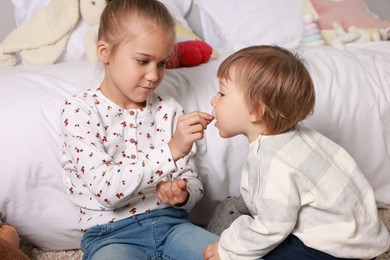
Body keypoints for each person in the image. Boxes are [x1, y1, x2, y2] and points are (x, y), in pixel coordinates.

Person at [60, 0, 218, 259]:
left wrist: (182, 193)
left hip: (173, 225)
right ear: (105, 52)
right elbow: (107, 190)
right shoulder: (79, 111)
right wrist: (171, 150)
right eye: (143, 61)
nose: (154, 75)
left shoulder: (169, 109)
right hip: (110, 236)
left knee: (228, 254)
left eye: (162, 63)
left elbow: (192, 179)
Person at [203, 45, 390, 260]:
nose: (213, 101)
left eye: (222, 93)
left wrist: (227, 249)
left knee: (261, 250)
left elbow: (271, 228)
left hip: (336, 249)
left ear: (255, 111)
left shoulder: (273, 161)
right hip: (359, 232)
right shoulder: (297, 138)